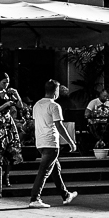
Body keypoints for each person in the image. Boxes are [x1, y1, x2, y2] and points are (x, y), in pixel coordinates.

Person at [25, 80, 77, 208]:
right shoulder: (54, 106)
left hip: (40, 142)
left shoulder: (37, 105)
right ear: (56, 91)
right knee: (44, 171)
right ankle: (35, 198)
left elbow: (35, 123)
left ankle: (65, 195)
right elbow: (59, 126)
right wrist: (71, 142)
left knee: (55, 169)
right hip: (51, 142)